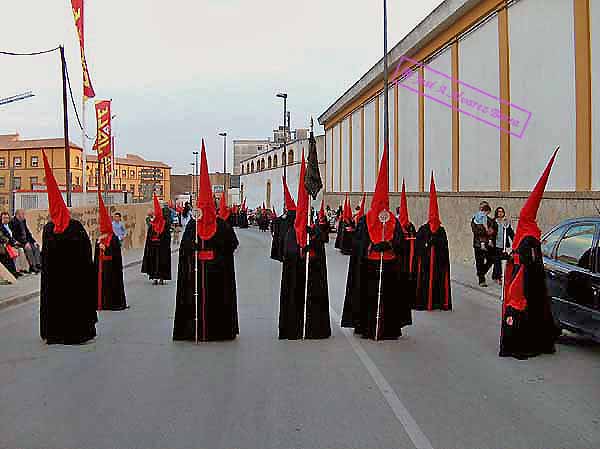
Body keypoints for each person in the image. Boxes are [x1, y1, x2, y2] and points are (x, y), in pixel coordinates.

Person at [341, 146, 412, 339]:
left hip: (389, 265)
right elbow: (358, 243)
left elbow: (400, 242)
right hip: (369, 265)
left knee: (389, 298)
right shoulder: (365, 220)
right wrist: (371, 246)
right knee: (368, 297)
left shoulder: (393, 220)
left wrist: (389, 245)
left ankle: (388, 328)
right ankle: (366, 326)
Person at [174, 140, 239, 341]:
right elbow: (184, 248)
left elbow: (232, 245)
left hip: (217, 274)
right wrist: (192, 249)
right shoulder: (192, 226)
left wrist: (216, 254)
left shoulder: (222, 226)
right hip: (196, 274)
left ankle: (218, 330)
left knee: (217, 300)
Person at [500, 149, 561, 360]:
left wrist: (511, 258)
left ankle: (522, 343)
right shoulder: (532, 234)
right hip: (531, 280)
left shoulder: (527, 237)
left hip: (523, 281)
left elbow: (524, 259)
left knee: (520, 310)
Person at [40, 150, 97, 344]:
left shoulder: (51, 229)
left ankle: (55, 332)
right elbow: (85, 253)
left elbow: (45, 257)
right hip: (72, 280)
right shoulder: (72, 228)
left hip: (59, 281)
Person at [278, 152, 331, 339]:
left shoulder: (314, 229)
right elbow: (288, 253)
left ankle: (314, 327)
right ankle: (294, 327)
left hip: (312, 278)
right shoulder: (291, 232)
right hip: (296, 278)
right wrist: (300, 250)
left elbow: (322, 245)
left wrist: (313, 246)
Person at [414, 173, 452, 311]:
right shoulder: (423, 229)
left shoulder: (441, 230)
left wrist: (437, 243)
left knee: (438, 283)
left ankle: (438, 302)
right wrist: (427, 244)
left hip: (438, 264)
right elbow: (419, 246)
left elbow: (445, 247)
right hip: (425, 263)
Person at [95, 191, 127, 311]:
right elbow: (96, 253)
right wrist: (99, 246)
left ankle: (112, 303)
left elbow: (115, 253)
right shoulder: (100, 238)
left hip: (111, 268)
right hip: (102, 268)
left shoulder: (113, 239)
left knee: (111, 285)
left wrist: (106, 249)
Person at [141, 194, 172, 285]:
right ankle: (155, 278)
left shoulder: (164, 224)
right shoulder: (152, 225)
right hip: (155, 248)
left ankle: (161, 278)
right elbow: (149, 237)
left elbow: (167, 237)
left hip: (161, 248)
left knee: (161, 262)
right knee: (155, 262)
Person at [471, 201, 496, 287]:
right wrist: (486, 231)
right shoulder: (475, 219)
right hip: (478, 244)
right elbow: (476, 231)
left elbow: (492, 232)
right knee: (479, 261)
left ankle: (481, 273)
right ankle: (482, 280)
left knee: (491, 259)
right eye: (481, 207)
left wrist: (490, 234)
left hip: (488, 244)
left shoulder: (489, 220)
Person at [10, 209, 42, 273]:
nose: (24, 215)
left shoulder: (23, 221)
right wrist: (25, 243)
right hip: (19, 241)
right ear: (18, 215)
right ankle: (32, 266)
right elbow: (16, 236)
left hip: (26, 240)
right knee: (28, 248)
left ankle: (37, 264)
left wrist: (33, 241)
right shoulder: (13, 222)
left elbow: (27, 232)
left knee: (36, 246)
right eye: (23, 214)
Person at [0, 211, 28, 276]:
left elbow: (12, 235)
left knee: (21, 250)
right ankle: (16, 271)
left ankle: (22, 269)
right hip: (7, 244)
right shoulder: (1, 227)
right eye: (4, 218)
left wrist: (15, 242)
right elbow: (6, 237)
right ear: (1, 218)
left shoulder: (9, 225)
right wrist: (14, 243)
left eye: (7, 218)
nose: (6, 219)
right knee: (17, 251)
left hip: (12, 242)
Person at [492, 207, 514, 285]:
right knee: (497, 261)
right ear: (496, 213)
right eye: (499, 212)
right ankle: (499, 277)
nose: (500, 213)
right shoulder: (493, 222)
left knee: (499, 260)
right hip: (495, 245)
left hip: (503, 245)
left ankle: (495, 276)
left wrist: (515, 241)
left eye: (502, 212)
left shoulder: (505, 223)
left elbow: (511, 233)